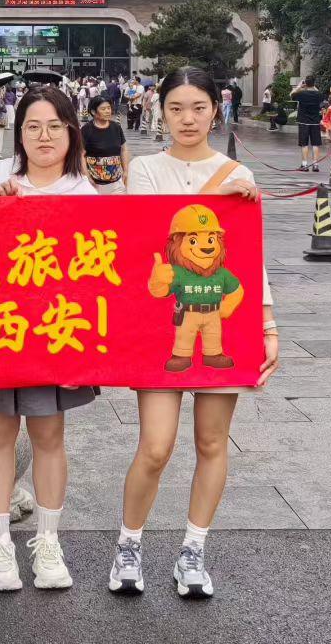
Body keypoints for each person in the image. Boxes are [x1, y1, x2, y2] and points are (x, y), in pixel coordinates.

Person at [111, 67, 278, 600]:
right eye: (177, 108)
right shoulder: (146, 170)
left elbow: (249, 261)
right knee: (156, 446)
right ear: (161, 112)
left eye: (199, 107)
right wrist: (222, 197)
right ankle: (128, 544)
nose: (188, 118)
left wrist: (268, 324)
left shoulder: (237, 171)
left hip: (223, 325)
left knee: (211, 442)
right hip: (160, 327)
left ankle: (193, 551)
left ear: (216, 109)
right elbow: (151, 235)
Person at [0, 87, 99, 592]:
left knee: (49, 436)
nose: (44, 136)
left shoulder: (83, 191)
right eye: (33, 126)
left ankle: (48, 542)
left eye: (55, 126)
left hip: (54, 333)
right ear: (17, 133)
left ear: (71, 132)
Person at [83, 98, 131, 193]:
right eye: (103, 109)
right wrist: (87, 177)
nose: (107, 111)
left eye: (109, 108)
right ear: (93, 112)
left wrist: (126, 171)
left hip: (117, 183)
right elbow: (80, 154)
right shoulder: (86, 130)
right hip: (95, 184)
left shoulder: (116, 127)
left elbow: (124, 149)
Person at [290, 76, 325, 172]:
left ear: (305, 83)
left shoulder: (301, 93)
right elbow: (321, 96)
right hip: (315, 122)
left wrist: (299, 87)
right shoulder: (318, 94)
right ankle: (315, 165)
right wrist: (314, 87)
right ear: (314, 84)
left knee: (304, 144)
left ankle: (304, 164)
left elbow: (291, 95)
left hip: (303, 121)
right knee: (315, 144)